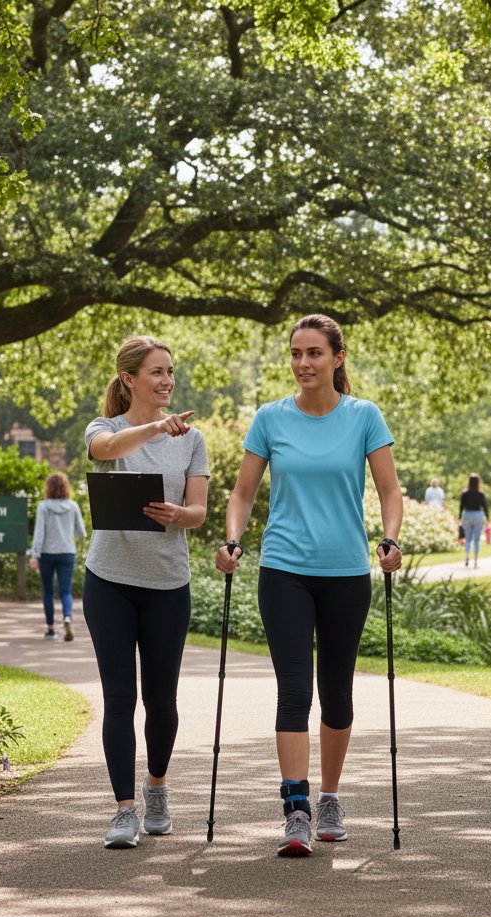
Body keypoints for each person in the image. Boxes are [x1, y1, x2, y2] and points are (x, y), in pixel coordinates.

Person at [215, 313, 402, 858]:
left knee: (337, 693)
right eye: (296, 353)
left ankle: (330, 796)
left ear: (337, 358)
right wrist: (233, 539)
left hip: (346, 571)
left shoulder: (364, 416)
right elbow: (243, 493)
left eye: (314, 353)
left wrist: (389, 541)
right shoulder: (270, 419)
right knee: (295, 690)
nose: (303, 363)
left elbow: (390, 490)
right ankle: (295, 809)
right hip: (284, 570)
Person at [84, 335, 209, 849]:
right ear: (129, 379)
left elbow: (199, 510)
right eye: (156, 372)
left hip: (166, 584)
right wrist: (154, 426)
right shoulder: (106, 428)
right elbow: (104, 451)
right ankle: (123, 811)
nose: (166, 381)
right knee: (120, 698)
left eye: (170, 372)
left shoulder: (192, 439)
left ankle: (156, 787)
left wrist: (181, 515)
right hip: (109, 582)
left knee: (160, 700)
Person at [29, 472, 86, 640]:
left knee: (48, 591)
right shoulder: (73, 506)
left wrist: (34, 555)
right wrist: (71, 536)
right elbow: (81, 533)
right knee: (65, 590)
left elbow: (39, 532)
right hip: (67, 552)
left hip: (47, 553)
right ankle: (67, 617)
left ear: (48, 488)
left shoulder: (43, 506)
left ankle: (51, 629)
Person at [458, 473, 489, 568]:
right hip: (478, 515)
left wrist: (459, 518)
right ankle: (475, 560)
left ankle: (467, 555)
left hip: (467, 514)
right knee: (476, 539)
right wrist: (488, 518)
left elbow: (461, 507)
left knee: (468, 539)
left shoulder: (465, 493)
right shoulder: (481, 493)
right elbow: (485, 506)